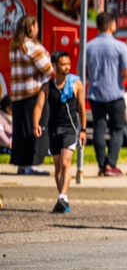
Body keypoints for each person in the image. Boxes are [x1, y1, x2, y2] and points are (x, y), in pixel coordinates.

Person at [33, 51, 86, 213]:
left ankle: (62, 196)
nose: (67, 67)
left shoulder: (76, 84)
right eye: (63, 64)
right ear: (55, 66)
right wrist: (36, 123)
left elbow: (82, 108)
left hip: (70, 129)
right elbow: (39, 106)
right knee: (57, 168)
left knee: (65, 163)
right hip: (53, 129)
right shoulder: (47, 86)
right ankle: (63, 198)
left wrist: (83, 129)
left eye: (68, 64)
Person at [86, 12, 127, 176]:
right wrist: (118, 79)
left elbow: (82, 71)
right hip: (115, 93)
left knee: (99, 129)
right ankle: (110, 164)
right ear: (112, 25)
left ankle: (101, 164)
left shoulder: (88, 46)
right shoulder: (120, 46)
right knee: (117, 129)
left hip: (95, 94)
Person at [8, 15, 52, 175]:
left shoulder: (15, 46)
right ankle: (32, 164)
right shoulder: (32, 47)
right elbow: (48, 69)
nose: (38, 29)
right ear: (31, 28)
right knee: (37, 128)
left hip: (18, 94)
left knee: (21, 130)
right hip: (34, 93)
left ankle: (22, 163)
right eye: (36, 26)